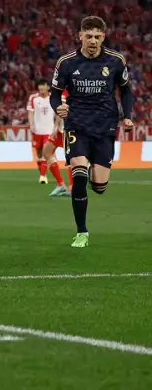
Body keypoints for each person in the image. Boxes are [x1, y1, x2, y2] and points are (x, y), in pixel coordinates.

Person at [50, 16, 134, 248]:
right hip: (77, 125)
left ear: (103, 37)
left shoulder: (115, 60)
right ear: (80, 36)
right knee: (78, 175)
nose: (93, 41)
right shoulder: (67, 62)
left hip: (105, 126)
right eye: (89, 36)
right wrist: (58, 107)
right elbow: (55, 94)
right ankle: (82, 232)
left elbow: (126, 90)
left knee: (99, 187)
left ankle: (89, 175)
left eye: (97, 36)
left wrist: (127, 116)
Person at [42, 89, 73, 197]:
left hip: (68, 128)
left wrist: (55, 127)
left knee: (71, 157)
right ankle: (61, 184)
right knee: (46, 152)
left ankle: (72, 187)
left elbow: (62, 110)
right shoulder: (62, 88)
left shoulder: (66, 89)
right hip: (62, 129)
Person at [27, 80, 55, 184]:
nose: (41, 87)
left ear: (48, 87)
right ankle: (42, 174)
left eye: (43, 85)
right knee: (39, 155)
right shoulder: (33, 98)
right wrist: (31, 125)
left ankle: (43, 176)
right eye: (39, 85)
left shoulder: (54, 97)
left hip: (49, 130)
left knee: (45, 153)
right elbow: (30, 112)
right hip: (37, 130)